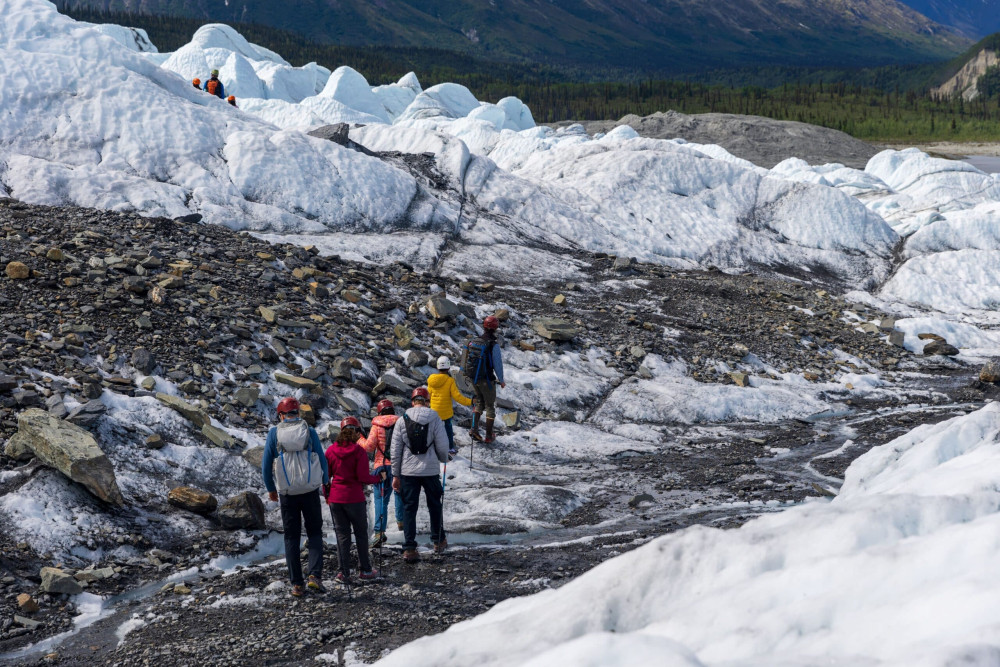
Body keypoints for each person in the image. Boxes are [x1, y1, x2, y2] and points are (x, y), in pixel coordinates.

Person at [261, 397, 329, 597]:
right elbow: (321, 459)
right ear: (297, 413)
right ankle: (314, 576)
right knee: (315, 533)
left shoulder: (274, 433)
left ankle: (297, 585)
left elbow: (266, 465)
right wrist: (325, 483)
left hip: (287, 493)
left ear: (281, 415)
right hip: (309, 490)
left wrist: (271, 488)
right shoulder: (309, 431)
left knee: (291, 536)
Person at [391, 387, 449, 563]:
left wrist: (395, 474)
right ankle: (438, 541)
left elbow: (395, 450)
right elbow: (442, 444)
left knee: (410, 508)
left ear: (412, 401)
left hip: (408, 471)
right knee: (434, 504)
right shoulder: (434, 417)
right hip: (430, 469)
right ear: (426, 400)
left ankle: (409, 548)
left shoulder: (402, 420)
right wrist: (443, 458)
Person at [325, 417, 382, 583]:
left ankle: (343, 572)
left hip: (336, 498)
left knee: (342, 536)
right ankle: (365, 569)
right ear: (357, 433)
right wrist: (378, 479)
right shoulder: (359, 452)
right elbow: (363, 477)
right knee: (361, 534)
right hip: (355, 498)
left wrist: (328, 496)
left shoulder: (330, 451)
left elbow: (325, 477)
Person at [358, 399, 401, 548]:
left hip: (381, 467)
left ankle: (379, 532)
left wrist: (360, 438)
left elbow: (369, 447)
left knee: (381, 500)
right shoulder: (400, 424)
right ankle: (401, 521)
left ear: (380, 412)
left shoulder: (376, 426)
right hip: (398, 467)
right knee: (399, 493)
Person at [463, 315, 505, 444]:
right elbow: (497, 364)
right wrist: (501, 380)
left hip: (473, 377)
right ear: (495, 328)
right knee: (490, 406)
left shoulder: (475, 341)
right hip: (487, 379)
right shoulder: (493, 344)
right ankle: (488, 435)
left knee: (479, 402)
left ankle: (474, 430)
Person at [428, 356, 471, 455]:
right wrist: (470, 401)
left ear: (437, 367)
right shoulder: (450, 381)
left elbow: (429, 394)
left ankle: (433, 447)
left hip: (434, 411)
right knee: (448, 430)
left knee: (434, 430)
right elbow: (457, 397)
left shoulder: (431, 380)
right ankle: (450, 448)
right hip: (446, 413)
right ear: (448, 368)